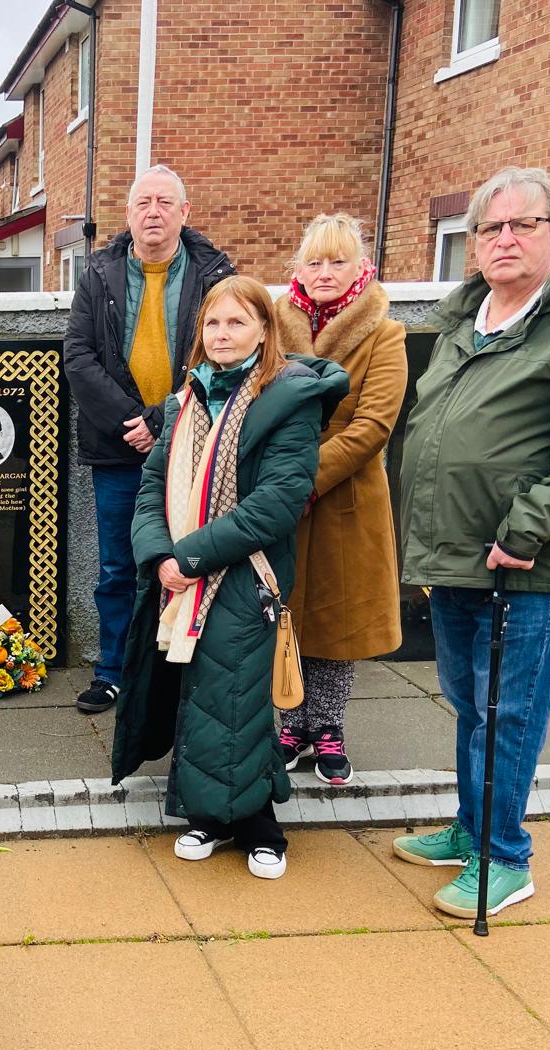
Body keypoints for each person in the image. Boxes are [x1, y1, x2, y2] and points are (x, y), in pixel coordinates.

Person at [393, 167, 550, 919]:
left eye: (521, 225)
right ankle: (472, 829)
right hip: (458, 554)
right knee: (472, 703)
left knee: (509, 711)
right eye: (489, 229)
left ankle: (506, 858)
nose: (504, 240)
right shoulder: (466, 321)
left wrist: (525, 529)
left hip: (518, 563)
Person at [111, 277, 348, 880]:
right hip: (179, 575)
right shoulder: (186, 400)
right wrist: (158, 555)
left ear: (265, 332)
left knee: (233, 691)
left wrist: (188, 557)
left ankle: (251, 823)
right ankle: (212, 814)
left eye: (237, 323)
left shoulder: (285, 400)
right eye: (213, 324)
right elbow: (150, 489)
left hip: (245, 571)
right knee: (201, 694)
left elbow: (276, 502)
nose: (222, 335)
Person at [64, 165, 235, 714]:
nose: (153, 211)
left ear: (185, 213)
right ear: (129, 214)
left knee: (188, 562)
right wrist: (133, 420)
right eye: (143, 202)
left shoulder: (215, 275)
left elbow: (226, 354)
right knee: (118, 565)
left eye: (165, 202)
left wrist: (162, 419)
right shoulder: (98, 273)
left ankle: (181, 675)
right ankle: (112, 670)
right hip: (118, 448)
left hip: (192, 442)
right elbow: (79, 356)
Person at [271, 213, 407, 785]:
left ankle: (326, 726)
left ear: (361, 268)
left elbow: (374, 425)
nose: (325, 273)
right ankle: (286, 722)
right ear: (298, 267)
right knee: (282, 613)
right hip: (278, 496)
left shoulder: (384, 333)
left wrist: (305, 478)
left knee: (337, 619)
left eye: (339, 261)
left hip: (344, 498)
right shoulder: (272, 323)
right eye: (314, 261)